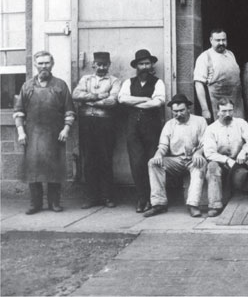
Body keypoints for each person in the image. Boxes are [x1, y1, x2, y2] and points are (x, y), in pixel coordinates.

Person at [14, 51, 76, 214]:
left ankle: (54, 203)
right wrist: (21, 131)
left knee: (54, 168)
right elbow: (19, 111)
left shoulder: (60, 85)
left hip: (55, 134)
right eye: (40, 63)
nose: (43, 66)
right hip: (32, 134)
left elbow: (69, 110)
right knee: (33, 168)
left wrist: (66, 128)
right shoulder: (27, 86)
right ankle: (35, 204)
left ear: (52, 64)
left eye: (46, 63)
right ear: (35, 65)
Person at [144, 94, 208, 218]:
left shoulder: (200, 121)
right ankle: (159, 203)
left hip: (193, 159)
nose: (178, 114)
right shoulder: (170, 124)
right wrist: (158, 155)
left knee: (201, 163)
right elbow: (163, 146)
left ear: (188, 109)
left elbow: (205, 143)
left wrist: (199, 153)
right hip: (176, 160)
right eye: (175, 111)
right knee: (153, 163)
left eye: (182, 110)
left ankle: (193, 204)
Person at [118, 49, 166, 213]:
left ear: (151, 65)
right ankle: (142, 198)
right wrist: (145, 99)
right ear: (136, 66)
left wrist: (135, 103)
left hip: (152, 127)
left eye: (147, 63)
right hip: (133, 128)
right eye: (141, 64)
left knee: (152, 162)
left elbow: (158, 102)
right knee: (136, 163)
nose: (144, 67)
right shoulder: (128, 83)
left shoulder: (158, 82)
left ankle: (154, 199)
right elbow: (122, 99)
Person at [72, 51, 121, 209]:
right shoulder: (86, 79)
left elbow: (112, 101)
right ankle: (92, 197)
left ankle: (107, 197)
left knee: (105, 159)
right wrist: (98, 96)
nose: (101, 67)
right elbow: (76, 94)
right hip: (87, 123)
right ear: (93, 64)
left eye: (104, 64)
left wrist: (90, 102)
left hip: (106, 124)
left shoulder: (115, 81)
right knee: (89, 161)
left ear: (109, 64)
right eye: (98, 64)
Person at [203, 98, 248, 217]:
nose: (227, 114)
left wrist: (244, 151)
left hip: (239, 161)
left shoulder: (240, 123)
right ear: (217, 112)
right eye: (223, 111)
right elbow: (209, 153)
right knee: (212, 166)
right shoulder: (211, 129)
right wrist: (226, 160)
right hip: (221, 163)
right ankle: (215, 205)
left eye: (230, 111)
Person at [194, 28, 244, 122]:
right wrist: (205, 109)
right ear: (211, 40)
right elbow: (198, 84)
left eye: (223, 40)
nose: (221, 43)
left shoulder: (231, 54)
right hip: (217, 106)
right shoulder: (204, 57)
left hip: (236, 104)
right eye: (218, 40)